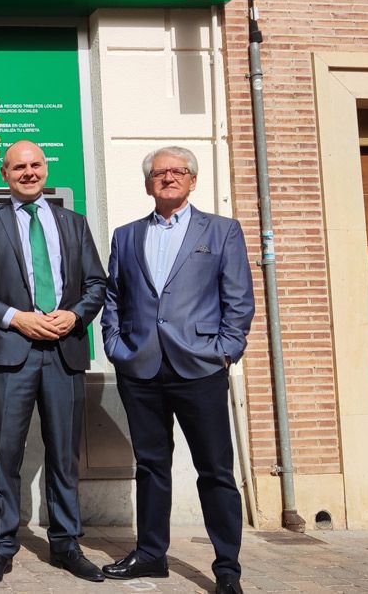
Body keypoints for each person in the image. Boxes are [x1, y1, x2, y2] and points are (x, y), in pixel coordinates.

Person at [99, 146, 254, 594]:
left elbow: (238, 298)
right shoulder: (126, 235)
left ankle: (227, 567)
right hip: (140, 368)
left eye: (177, 171)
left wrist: (225, 350)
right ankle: (151, 555)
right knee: (150, 466)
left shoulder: (222, 231)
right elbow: (115, 297)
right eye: (159, 173)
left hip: (200, 366)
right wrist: (115, 345)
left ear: (192, 179)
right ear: (149, 182)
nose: (168, 178)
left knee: (215, 470)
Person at [0, 140, 107, 586]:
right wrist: (14, 317)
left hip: (63, 351)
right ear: (4, 174)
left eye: (35, 165)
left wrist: (75, 313)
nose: (28, 172)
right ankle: (0, 549)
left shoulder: (74, 224)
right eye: (18, 166)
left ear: (46, 168)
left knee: (63, 454)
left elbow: (97, 283)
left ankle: (66, 545)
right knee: (4, 454)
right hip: (10, 353)